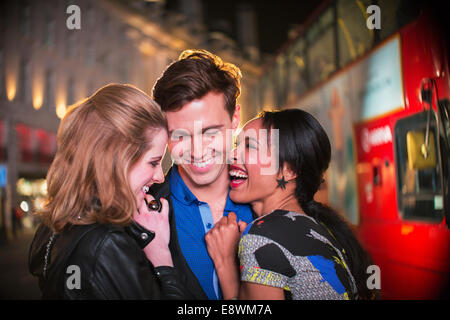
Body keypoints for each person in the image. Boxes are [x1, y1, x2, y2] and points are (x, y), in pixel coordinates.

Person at [28, 84, 189, 299]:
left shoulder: (54, 227)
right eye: (153, 162)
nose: (160, 176)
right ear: (115, 159)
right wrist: (161, 258)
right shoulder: (108, 244)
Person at [205, 109, 377, 300]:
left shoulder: (262, 236)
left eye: (250, 146)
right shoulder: (321, 230)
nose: (232, 156)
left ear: (289, 170)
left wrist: (225, 262)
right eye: (237, 145)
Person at [151, 49, 254, 299]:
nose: (197, 151)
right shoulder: (144, 212)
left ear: (235, 119)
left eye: (210, 132)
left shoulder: (270, 200)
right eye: (180, 135)